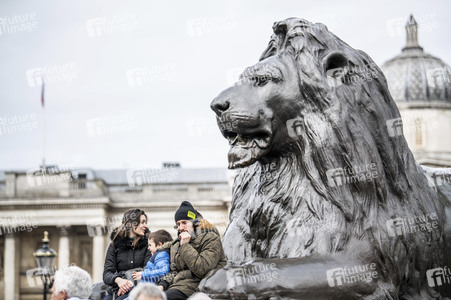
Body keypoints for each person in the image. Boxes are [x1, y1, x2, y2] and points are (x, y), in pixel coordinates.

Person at [157, 201, 227, 299]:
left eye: (184, 223)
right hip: (178, 286)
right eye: (178, 224)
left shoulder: (211, 238)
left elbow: (202, 268)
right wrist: (162, 284)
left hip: (201, 286)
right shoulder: (177, 244)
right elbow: (174, 271)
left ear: (194, 223)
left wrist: (185, 246)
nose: (180, 227)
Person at [103, 208, 152, 300]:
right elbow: (107, 274)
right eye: (142, 222)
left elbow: (148, 270)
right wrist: (119, 281)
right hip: (118, 288)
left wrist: (128, 284)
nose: (145, 226)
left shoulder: (148, 245)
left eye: (145, 222)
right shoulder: (114, 246)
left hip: (141, 289)